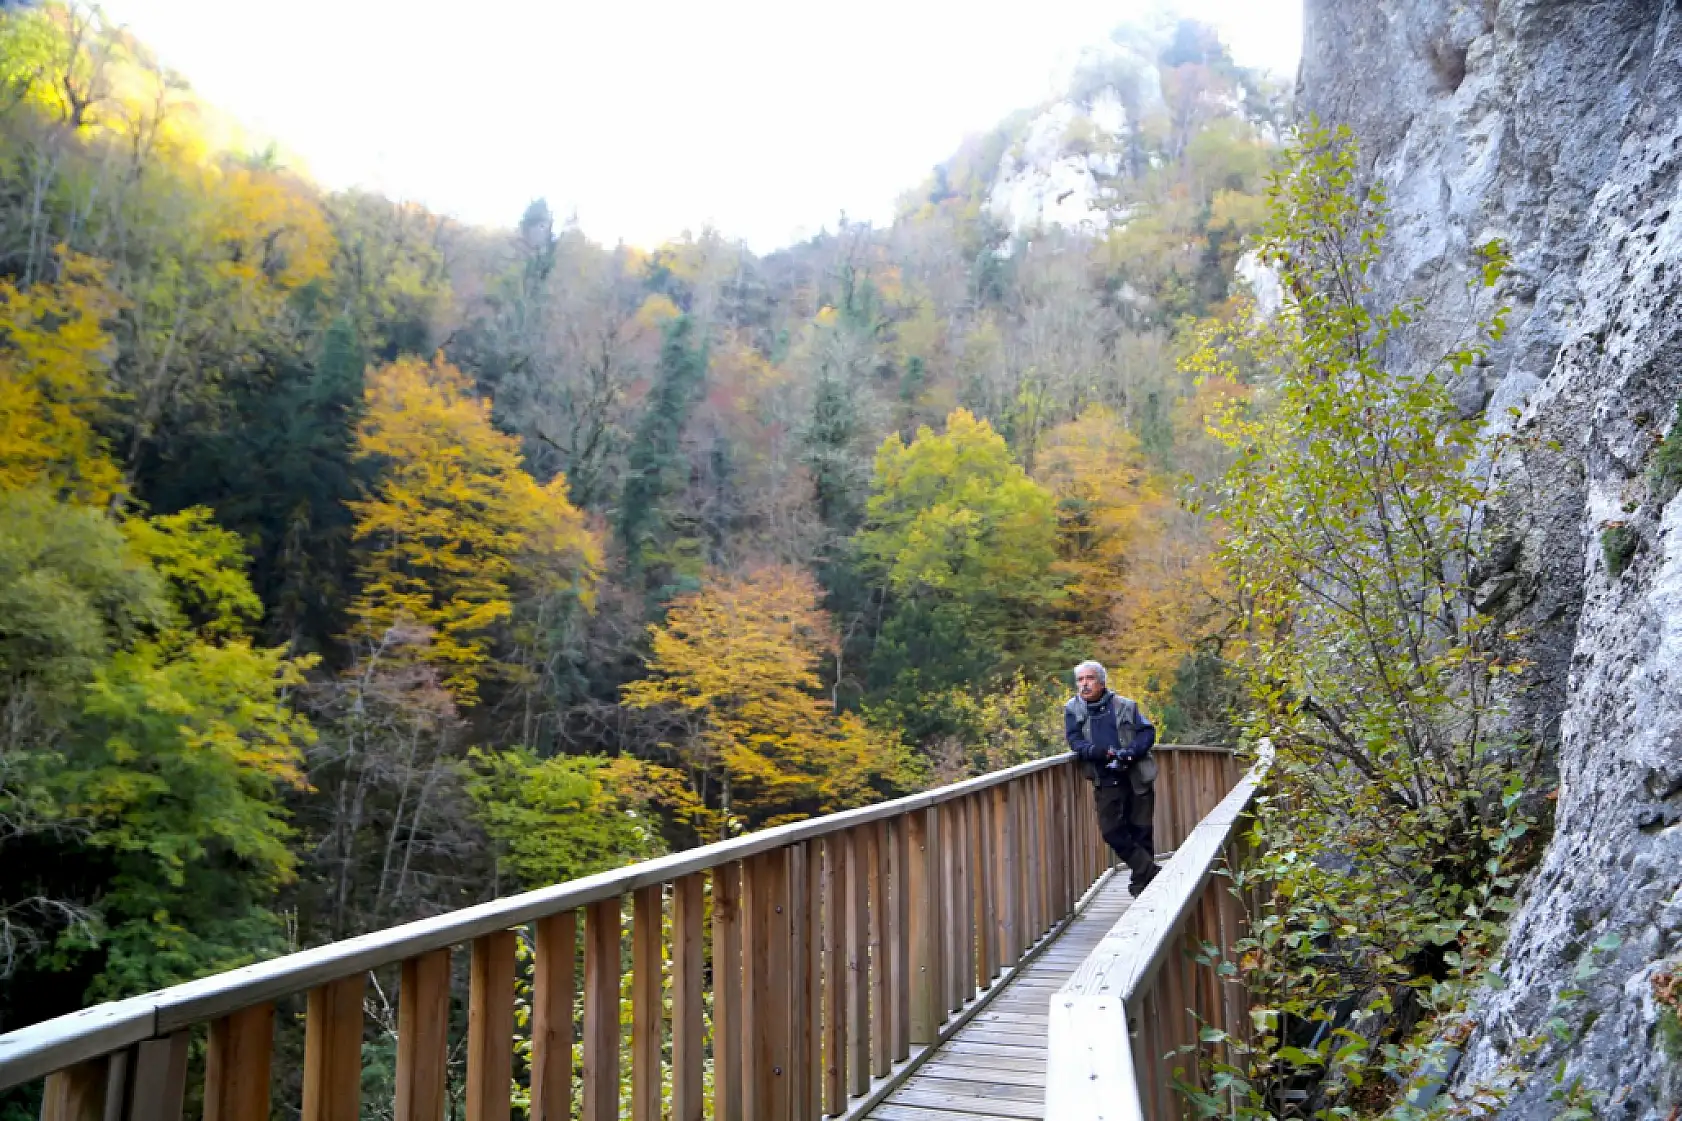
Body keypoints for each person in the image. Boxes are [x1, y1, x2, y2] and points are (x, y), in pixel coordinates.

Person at [1063, 660, 1159, 896]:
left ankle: (1142, 887)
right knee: (1112, 831)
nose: (1084, 685)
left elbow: (1147, 732)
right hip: (1104, 777)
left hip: (1135, 775)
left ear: (1102, 682)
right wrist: (1099, 752)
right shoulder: (1073, 709)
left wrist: (1129, 753)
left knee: (1141, 831)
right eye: (1080, 680)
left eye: (1090, 679)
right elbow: (1075, 741)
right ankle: (1151, 872)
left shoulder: (1125, 705)